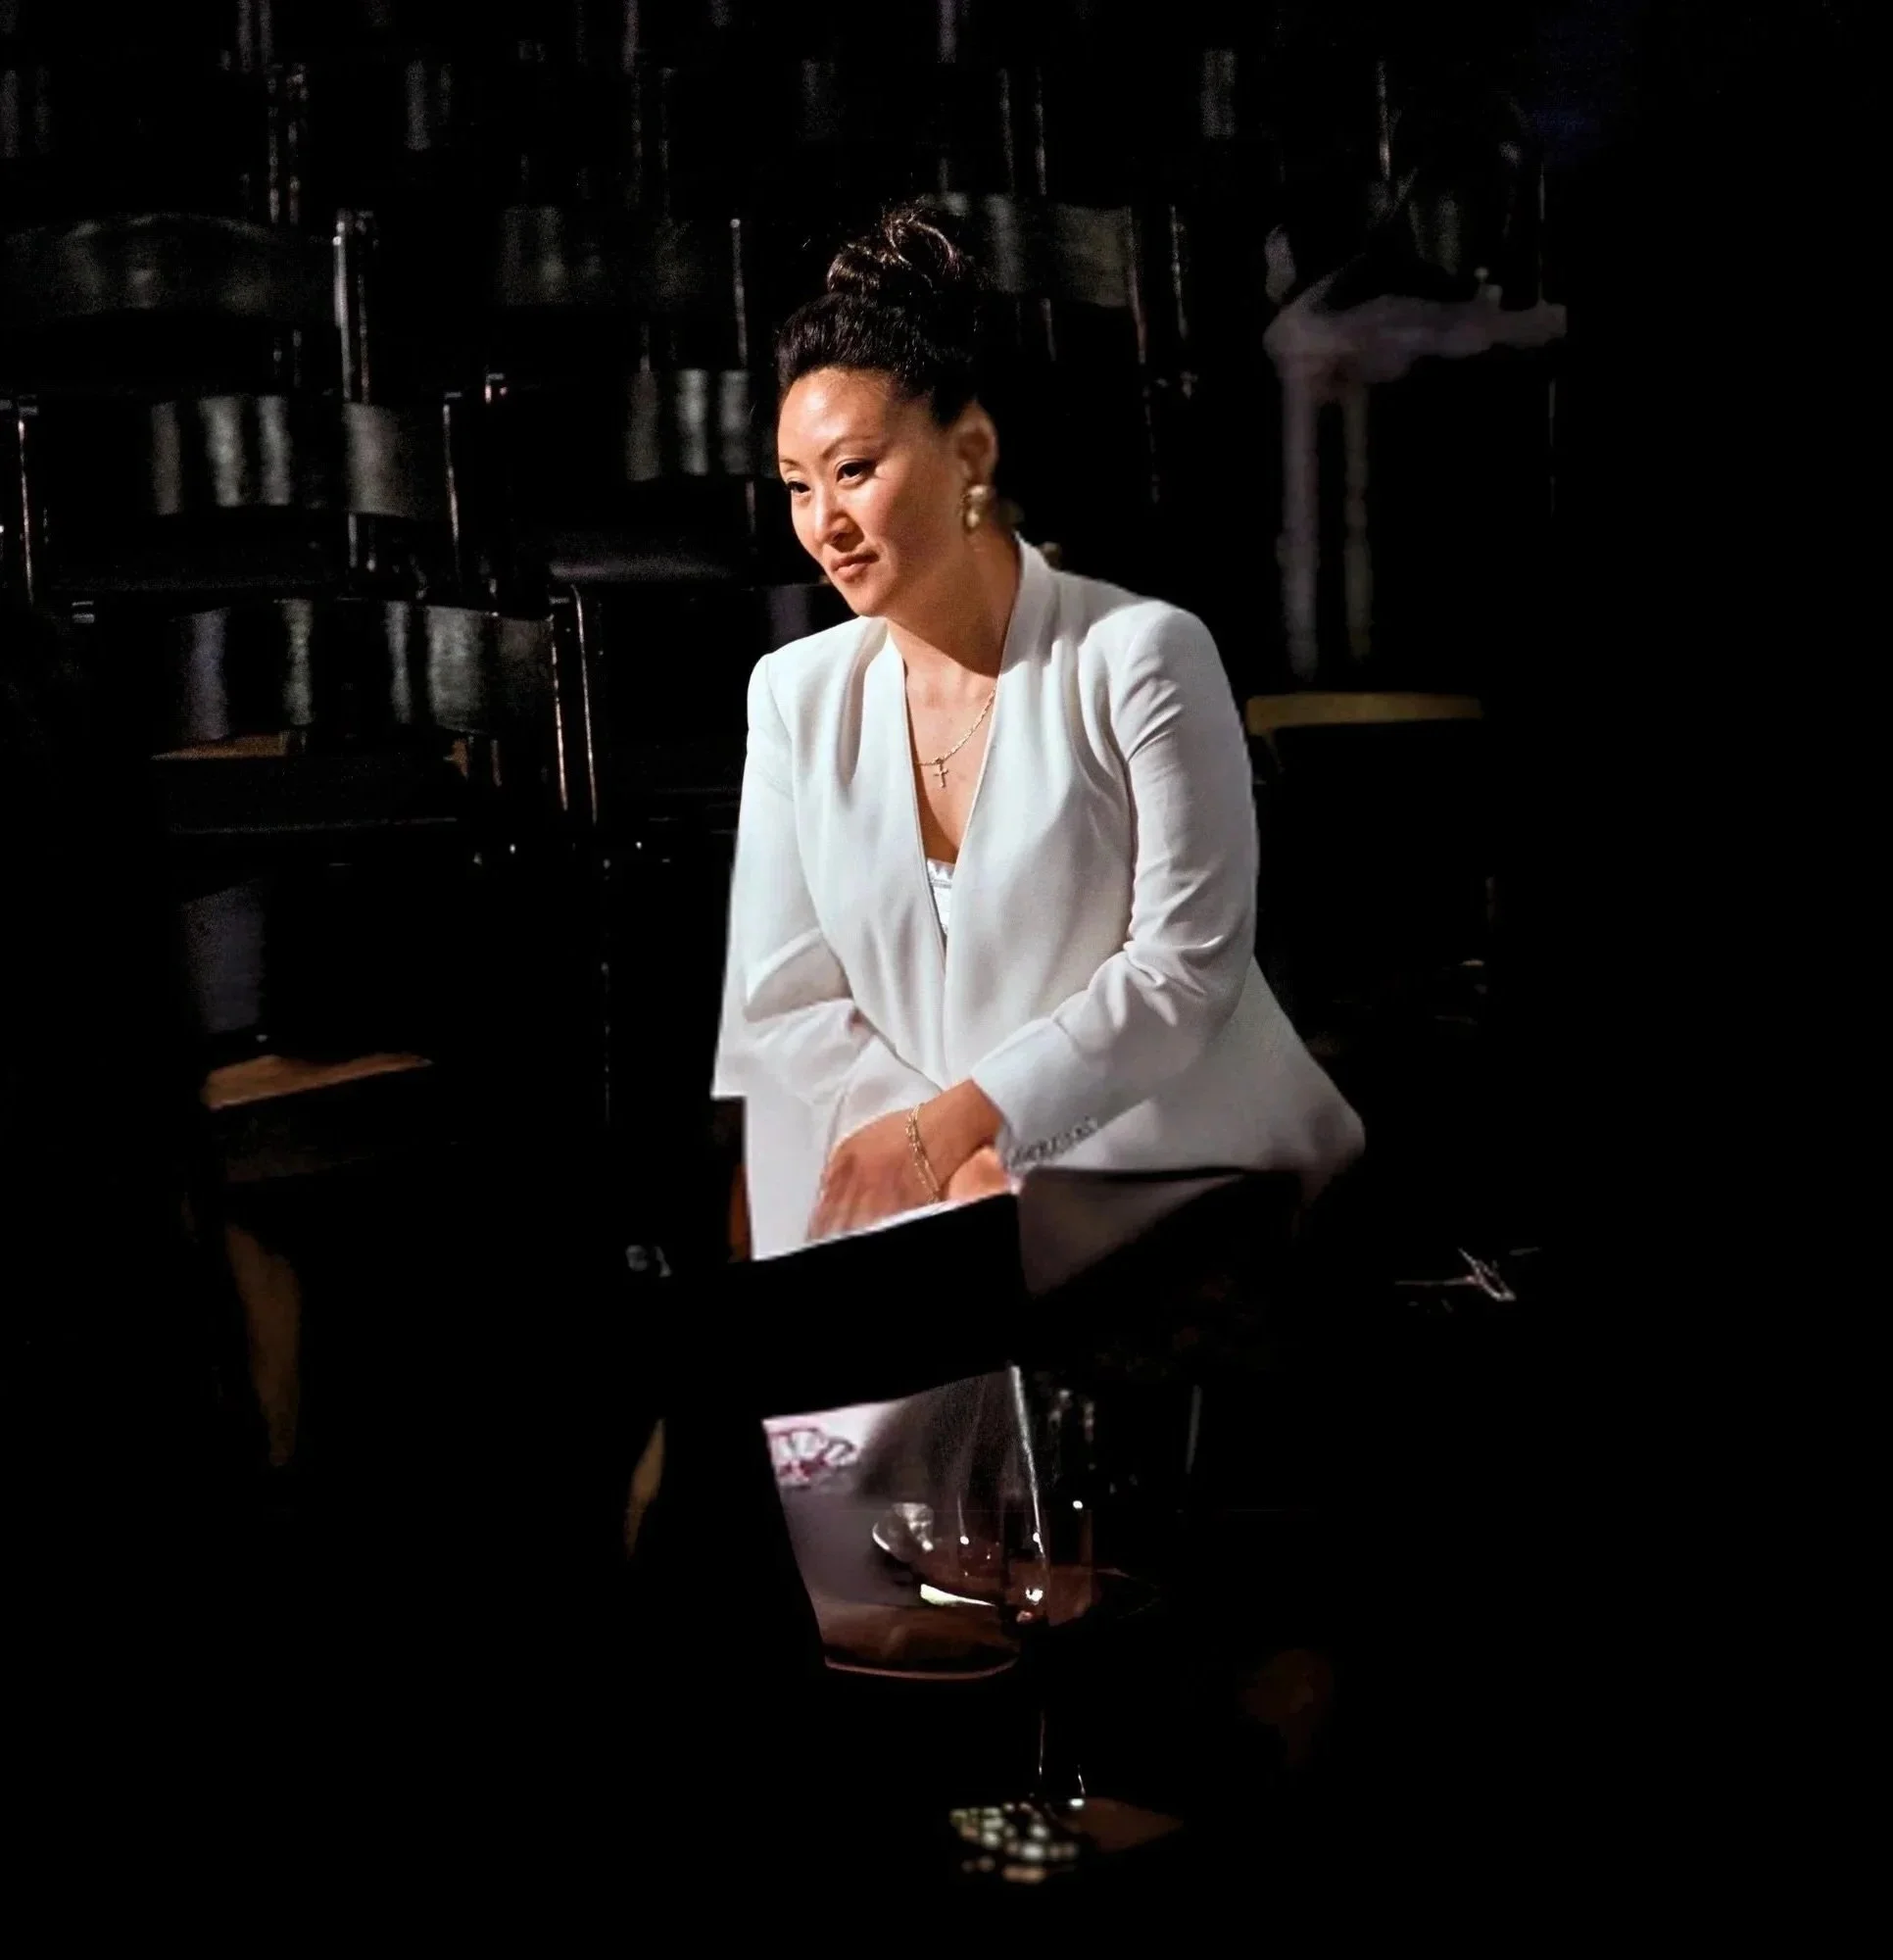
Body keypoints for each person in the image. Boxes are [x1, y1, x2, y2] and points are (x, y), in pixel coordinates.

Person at [712, 207, 1364, 1260]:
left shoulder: (1145, 653)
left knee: (1004, 1284)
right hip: (901, 1145)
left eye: (854, 470)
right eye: (797, 485)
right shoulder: (792, 694)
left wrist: (974, 1125)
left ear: (969, 451)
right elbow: (787, 1001)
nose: (821, 521)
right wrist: (932, 1149)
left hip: (1150, 1133)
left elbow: (1183, 971)